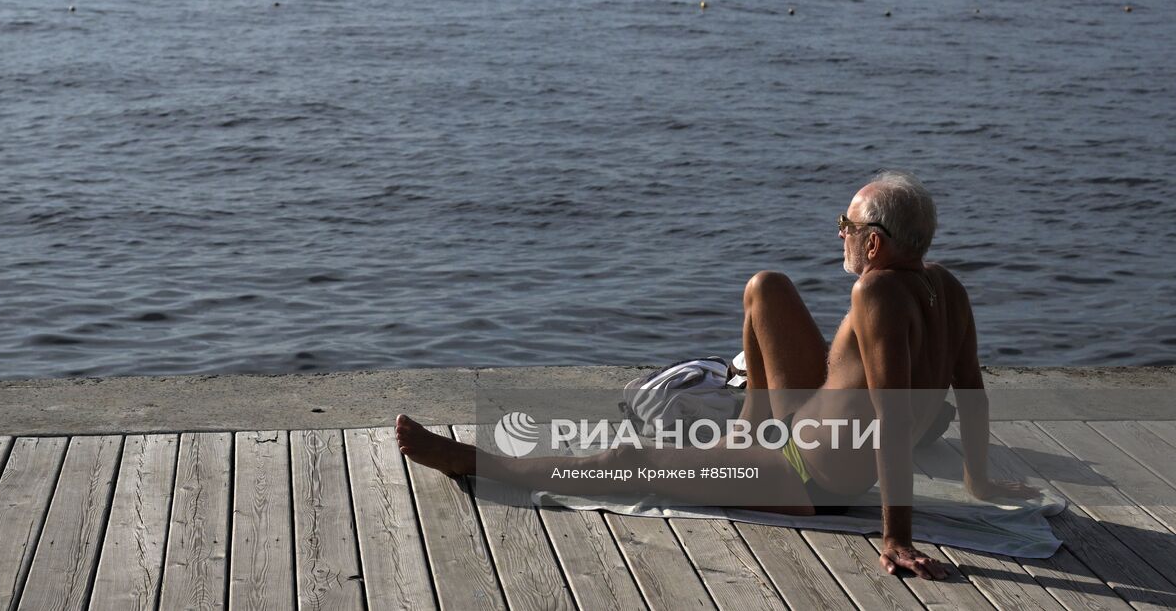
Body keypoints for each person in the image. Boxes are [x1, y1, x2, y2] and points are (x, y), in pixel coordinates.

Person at [396, 170, 1038, 580]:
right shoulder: (945, 287)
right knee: (767, 288)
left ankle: (477, 464)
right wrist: (976, 479)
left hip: (808, 476)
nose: (838, 232)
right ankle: (747, 429)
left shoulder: (875, 296)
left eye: (847, 225)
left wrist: (896, 534)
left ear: (874, 245)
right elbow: (972, 392)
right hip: (795, 426)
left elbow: (896, 422)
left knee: (633, 459)